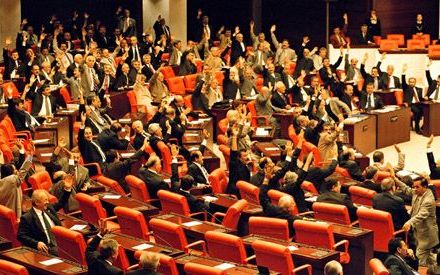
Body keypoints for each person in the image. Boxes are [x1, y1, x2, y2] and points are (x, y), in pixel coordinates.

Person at [17, 179, 72, 255]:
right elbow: (21, 236)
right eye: (45, 200)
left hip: (61, 242)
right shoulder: (27, 218)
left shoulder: (49, 208)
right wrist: (36, 243)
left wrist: (67, 189)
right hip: (47, 247)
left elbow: (61, 202)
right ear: (36, 202)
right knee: (69, 254)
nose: (48, 202)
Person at [397, 175, 439, 267]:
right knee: (430, 258)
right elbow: (407, 189)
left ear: (425, 187)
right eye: (414, 187)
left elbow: (422, 214)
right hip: (419, 232)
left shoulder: (428, 200)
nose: (414, 189)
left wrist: (409, 222)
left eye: (417, 187)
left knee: (419, 259)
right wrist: (395, 179)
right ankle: (435, 269)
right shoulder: (417, 192)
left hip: (426, 234)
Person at [402, 64, 424, 134]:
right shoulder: (406, 88)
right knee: (417, 111)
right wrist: (403, 72)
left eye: (413, 82)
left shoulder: (419, 89)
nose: (411, 83)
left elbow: (421, 98)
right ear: (409, 82)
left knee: (427, 110)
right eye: (410, 82)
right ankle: (417, 128)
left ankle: (424, 126)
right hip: (411, 104)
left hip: (419, 103)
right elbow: (403, 81)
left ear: (415, 82)